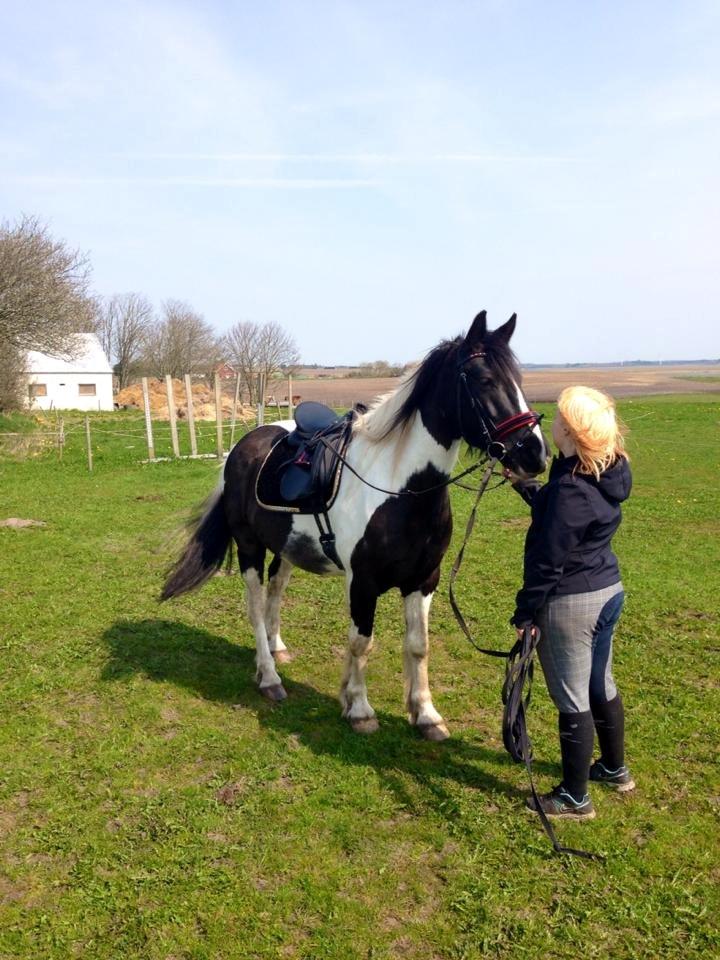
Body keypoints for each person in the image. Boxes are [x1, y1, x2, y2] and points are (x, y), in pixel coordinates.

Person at [508, 385, 634, 821]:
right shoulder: (603, 469)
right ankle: (615, 769)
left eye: (560, 417)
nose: (553, 421)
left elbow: (548, 561)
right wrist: (526, 487)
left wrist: (526, 612)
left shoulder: (570, 489)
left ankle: (574, 798)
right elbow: (562, 507)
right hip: (607, 591)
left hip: (571, 604)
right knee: (602, 683)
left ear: (570, 430)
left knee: (572, 697)